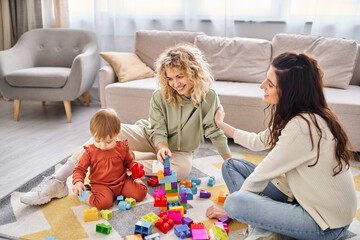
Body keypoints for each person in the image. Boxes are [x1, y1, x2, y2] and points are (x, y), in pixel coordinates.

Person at [20, 43, 232, 205]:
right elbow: (156, 127)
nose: (175, 83)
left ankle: (115, 169)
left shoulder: (209, 97)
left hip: (182, 150)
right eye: (169, 78)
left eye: (180, 76)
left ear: (193, 71)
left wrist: (230, 162)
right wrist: (161, 146)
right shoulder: (161, 95)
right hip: (151, 136)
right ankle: (57, 181)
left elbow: (214, 131)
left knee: (181, 170)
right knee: (105, 137)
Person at [206, 52, 357, 240]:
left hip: (325, 225)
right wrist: (220, 124)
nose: (262, 86)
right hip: (303, 199)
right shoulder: (299, 115)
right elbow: (257, 141)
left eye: (269, 84)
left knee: (234, 202)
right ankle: (268, 225)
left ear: (289, 91)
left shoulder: (303, 127)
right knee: (232, 165)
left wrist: (236, 211)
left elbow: (262, 174)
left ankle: (262, 229)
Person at [72, 108, 147, 210]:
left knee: (141, 193)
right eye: (97, 140)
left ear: (117, 133)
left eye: (108, 142)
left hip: (122, 182)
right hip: (101, 185)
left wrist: (136, 169)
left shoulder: (122, 148)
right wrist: (78, 182)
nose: (102, 146)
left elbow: (129, 162)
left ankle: (134, 179)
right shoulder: (90, 152)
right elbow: (80, 169)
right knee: (102, 204)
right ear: (92, 133)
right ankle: (83, 194)